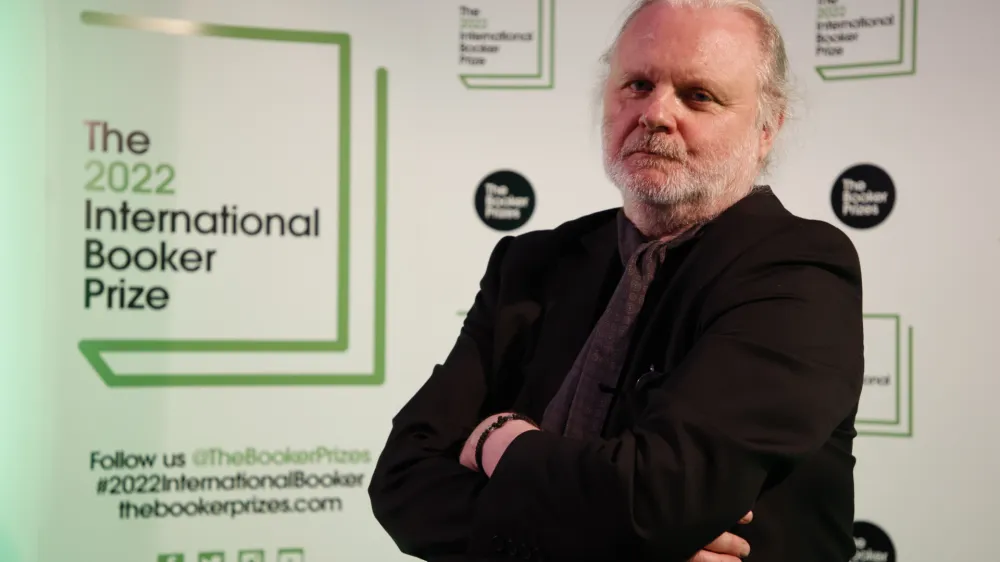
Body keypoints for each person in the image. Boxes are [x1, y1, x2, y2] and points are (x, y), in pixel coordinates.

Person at [368, 0, 865, 560]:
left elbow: (655, 498)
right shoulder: (531, 263)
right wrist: (619, 544)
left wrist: (496, 442)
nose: (655, 113)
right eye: (637, 84)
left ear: (766, 128)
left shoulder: (801, 270)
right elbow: (401, 483)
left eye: (698, 95)